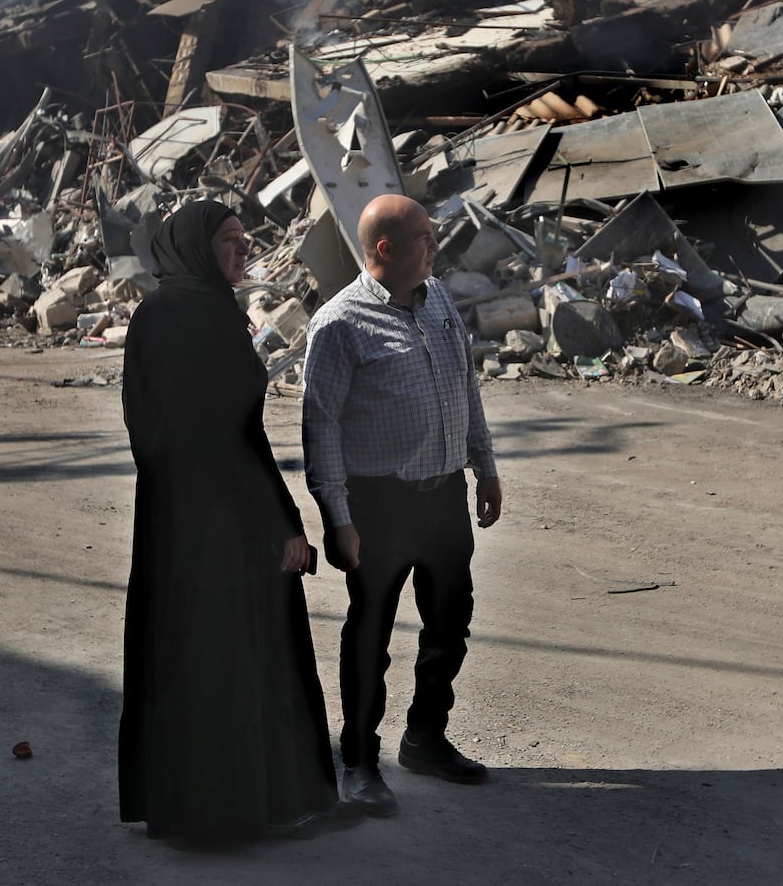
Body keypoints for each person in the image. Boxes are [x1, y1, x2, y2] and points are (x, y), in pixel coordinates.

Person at [119, 199, 358, 844]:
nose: (243, 251)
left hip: (174, 515)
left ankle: (194, 805)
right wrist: (280, 522)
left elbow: (153, 432)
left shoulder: (156, 317)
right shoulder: (204, 321)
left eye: (243, 238)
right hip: (221, 521)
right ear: (197, 248)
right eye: (229, 241)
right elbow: (228, 436)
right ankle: (239, 806)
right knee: (235, 654)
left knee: (191, 651)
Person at [301, 193, 504, 818]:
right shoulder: (339, 325)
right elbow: (321, 427)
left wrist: (485, 466)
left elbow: (464, 386)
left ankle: (425, 739)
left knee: (450, 624)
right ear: (384, 248)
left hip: (443, 496)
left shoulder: (438, 298)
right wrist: (339, 519)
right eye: (424, 236)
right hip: (380, 503)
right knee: (372, 636)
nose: (435, 245)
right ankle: (360, 760)